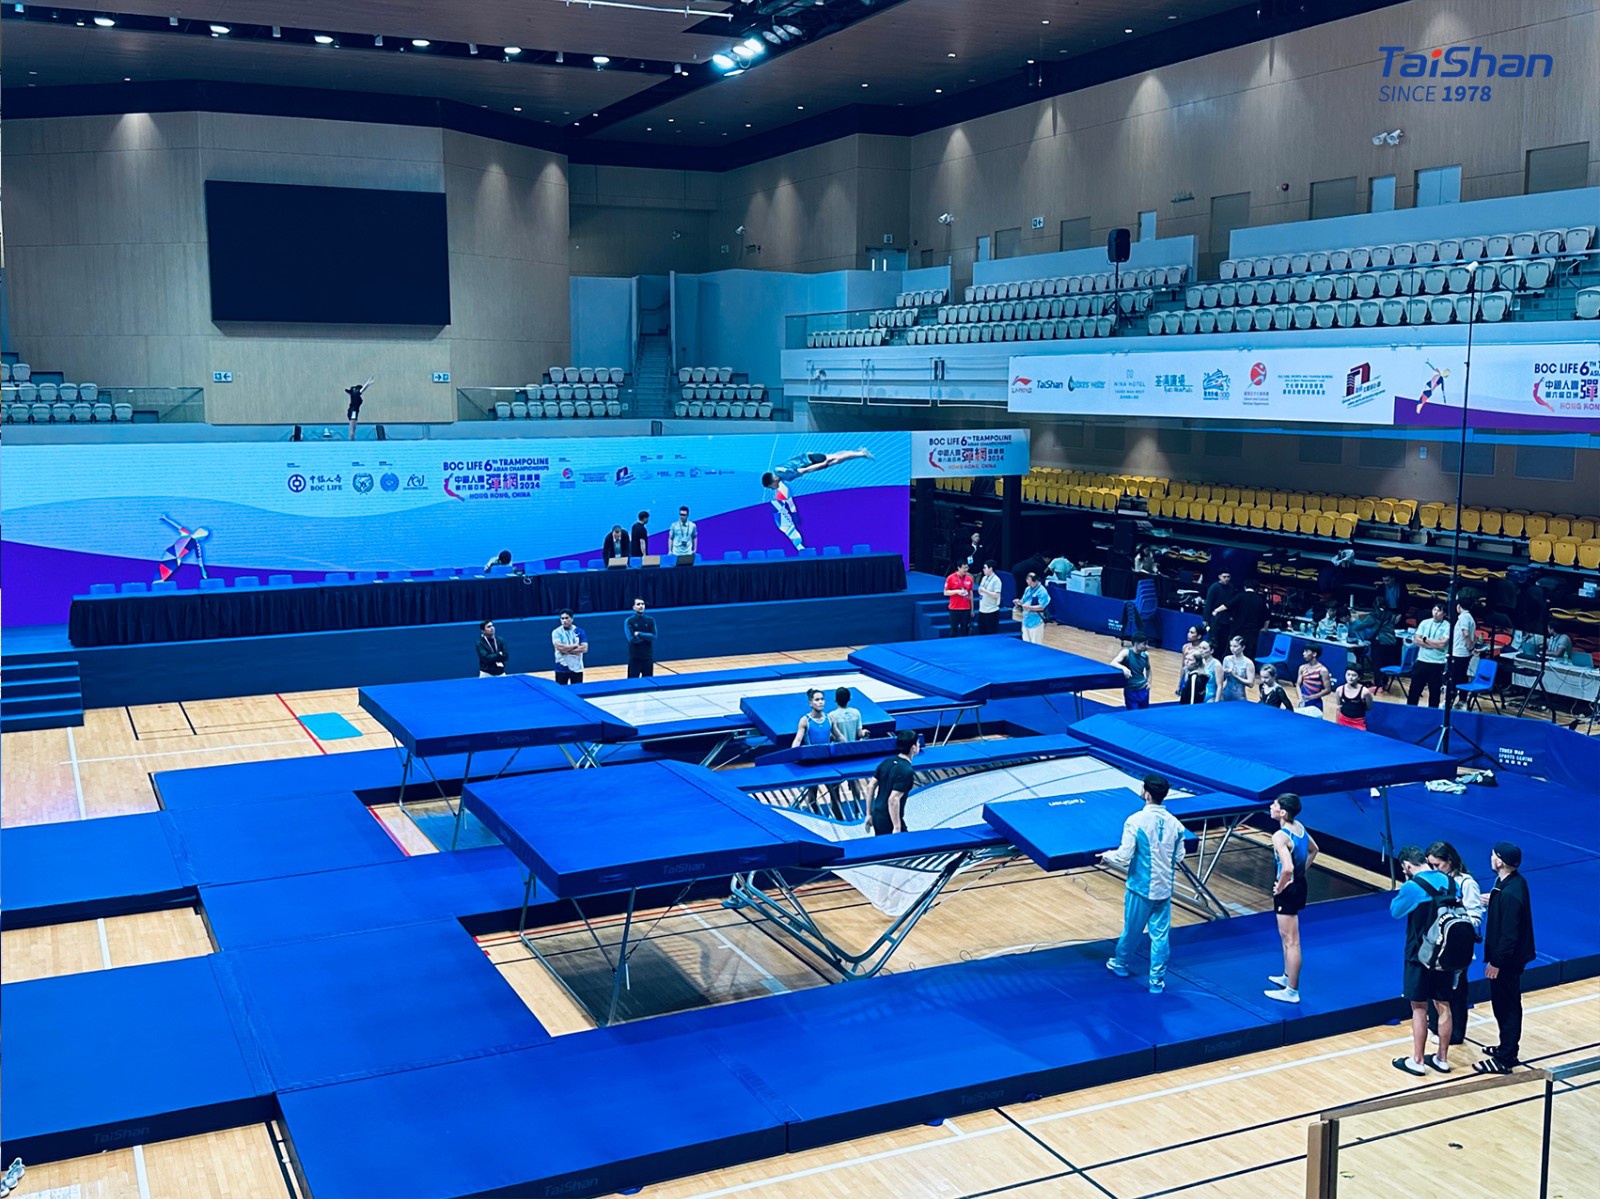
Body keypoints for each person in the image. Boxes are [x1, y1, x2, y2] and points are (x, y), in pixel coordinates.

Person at [1102, 774, 1187, 995]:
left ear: (1146, 794)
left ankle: (1120, 963)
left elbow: (1124, 855)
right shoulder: (1177, 825)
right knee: (1160, 935)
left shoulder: (1135, 820)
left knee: (1132, 929)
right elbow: (1179, 856)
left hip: (1140, 888)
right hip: (1164, 889)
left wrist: (1106, 856)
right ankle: (1157, 981)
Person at [1389, 845, 1460, 1076]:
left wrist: (1406, 886)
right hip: (1445, 953)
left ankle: (1418, 1061)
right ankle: (1442, 1058)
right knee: (1444, 1004)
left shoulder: (1412, 887)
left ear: (1407, 866)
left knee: (1419, 1007)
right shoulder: (1450, 881)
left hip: (1418, 955)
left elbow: (1395, 911)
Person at [1476, 842, 1535, 1073]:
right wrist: (1493, 900)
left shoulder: (1510, 894)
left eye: (1493, 855)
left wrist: (1496, 963)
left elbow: (1509, 935)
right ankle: (1505, 1047)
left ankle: (1507, 1057)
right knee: (1504, 1004)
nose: (1490, 858)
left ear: (1500, 861)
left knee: (1506, 1006)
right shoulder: (1513, 882)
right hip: (1509, 958)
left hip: (1507, 961)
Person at [1426, 841, 1484, 1049]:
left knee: (1456, 991)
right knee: (1434, 987)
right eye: (1430, 865)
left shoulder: (1466, 883)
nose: (1434, 869)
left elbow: (1475, 917)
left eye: (1437, 865)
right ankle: (1435, 1026)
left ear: (1449, 861)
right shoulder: (1433, 881)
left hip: (1457, 947)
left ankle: (1456, 1033)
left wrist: (1452, 922)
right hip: (1437, 945)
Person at [761, 448, 874, 552]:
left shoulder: (788, 476)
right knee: (834, 456)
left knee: (835, 460)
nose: (773, 489)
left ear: (772, 482)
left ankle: (861, 454)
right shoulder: (777, 469)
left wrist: (822, 465)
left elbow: (806, 470)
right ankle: (858, 452)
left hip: (811, 462)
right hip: (807, 456)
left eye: (771, 487)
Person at [1265, 792, 1319, 1004]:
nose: (1271, 806)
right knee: (1286, 937)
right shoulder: (1300, 827)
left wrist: (1280, 887)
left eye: (1275, 805)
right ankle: (1287, 976)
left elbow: (1287, 868)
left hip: (1288, 890)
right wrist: (1300, 872)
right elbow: (1314, 850)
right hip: (1299, 884)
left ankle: (1292, 990)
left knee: (1292, 941)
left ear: (1283, 812)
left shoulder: (1280, 836)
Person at [868, 729, 919, 835]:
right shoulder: (906, 770)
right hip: (889, 819)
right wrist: (896, 826)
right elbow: (893, 799)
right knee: (905, 844)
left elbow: (870, 786)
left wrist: (869, 814)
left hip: (877, 814)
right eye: (917, 743)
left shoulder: (886, 762)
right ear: (913, 748)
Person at [1408, 602, 1451, 708]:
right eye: (1434, 610)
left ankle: (1433, 714)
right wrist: (1433, 643)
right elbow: (1416, 640)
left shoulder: (1447, 626)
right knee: (1414, 690)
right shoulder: (1424, 623)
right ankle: (1410, 711)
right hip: (1421, 661)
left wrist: (1424, 640)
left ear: (1444, 614)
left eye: (1439, 611)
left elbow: (1442, 644)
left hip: (1437, 663)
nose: (1435, 612)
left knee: (1434, 693)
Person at [1448, 597, 1478, 705]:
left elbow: (1466, 633)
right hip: (1462, 652)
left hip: (1460, 652)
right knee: (1461, 676)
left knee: (1456, 677)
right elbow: (1473, 635)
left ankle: (1452, 699)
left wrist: (1469, 646)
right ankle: (1462, 699)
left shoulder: (1464, 617)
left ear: (1459, 606)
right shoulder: (1469, 617)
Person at [1230, 579, 1268, 662]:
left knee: (1234, 650)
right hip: (1252, 631)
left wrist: (1216, 611)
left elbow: (1228, 606)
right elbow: (1267, 617)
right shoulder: (1261, 600)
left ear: (1245, 587)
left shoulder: (1240, 596)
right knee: (1249, 653)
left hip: (1238, 629)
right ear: (1257, 588)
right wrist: (1265, 628)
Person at [1111, 634, 1152, 710]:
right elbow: (1113, 662)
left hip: (1143, 689)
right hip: (1131, 691)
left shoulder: (1145, 655)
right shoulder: (1126, 652)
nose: (1147, 646)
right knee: (1133, 714)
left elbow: (1148, 669)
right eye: (1144, 644)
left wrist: (1149, 682)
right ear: (1136, 643)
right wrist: (1124, 668)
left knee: (1144, 714)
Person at [1204, 570, 1239, 651]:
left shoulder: (1231, 587)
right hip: (1215, 617)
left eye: (1228, 577)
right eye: (1224, 577)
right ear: (1219, 577)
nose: (1226, 579)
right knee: (1213, 638)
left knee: (1224, 640)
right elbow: (1208, 603)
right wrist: (1206, 618)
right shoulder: (1214, 587)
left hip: (1227, 618)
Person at [552, 609, 587, 685]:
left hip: (577, 668)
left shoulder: (579, 631)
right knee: (561, 690)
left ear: (572, 619)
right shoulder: (556, 632)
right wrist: (575, 645)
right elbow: (560, 648)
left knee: (577, 690)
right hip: (561, 668)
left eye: (566, 618)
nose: (564, 620)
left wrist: (566, 650)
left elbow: (584, 648)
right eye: (562, 618)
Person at [624, 597, 656, 678]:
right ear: (634, 607)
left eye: (643, 604)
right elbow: (631, 639)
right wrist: (647, 637)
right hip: (635, 659)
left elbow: (654, 636)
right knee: (633, 683)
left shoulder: (650, 620)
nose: (641, 606)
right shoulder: (629, 621)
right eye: (638, 604)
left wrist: (639, 634)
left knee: (648, 682)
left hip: (648, 658)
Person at [1296, 645, 1333, 714]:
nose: (1303, 653)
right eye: (1304, 651)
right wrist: (1300, 697)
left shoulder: (1323, 670)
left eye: (1306, 651)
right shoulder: (1302, 668)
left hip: (1315, 703)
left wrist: (1311, 697)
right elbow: (1298, 685)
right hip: (1303, 701)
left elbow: (1328, 690)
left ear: (1314, 654)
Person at [1016, 571, 1050, 644]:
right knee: (1026, 643)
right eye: (1028, 582)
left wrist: (1028, 607)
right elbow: (1023, 600)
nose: (1029, 584)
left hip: (1036, 620)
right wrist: (1018, 602)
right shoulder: (1028, 589)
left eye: (1031, 582)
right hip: (1026, 619)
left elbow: (1042, 607)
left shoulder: (1042, 591)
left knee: (1036, 643)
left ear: (1035, 581)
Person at [1219, 635, 1256, 701]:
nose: (1232, 648)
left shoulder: (1248, 663)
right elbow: (1223, 679)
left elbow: (1251, 684)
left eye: (1235, 646)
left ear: (1243, 647)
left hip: (1239, 696)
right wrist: (1223, 673)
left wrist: (1236, 676)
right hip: (1225, 694)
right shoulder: (1227, 659)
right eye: (1231, 646)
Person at [944, 561, 974, 637]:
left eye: (967, 567)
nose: (966, 570)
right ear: (958, 568)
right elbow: (945, 592)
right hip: (954, 608)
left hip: (966, 608)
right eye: (964, 568)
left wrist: (972, 609)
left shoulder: (969, 579)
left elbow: (971, 594)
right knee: (953, 631)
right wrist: (957, 591)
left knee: (965, 630)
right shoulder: (950, 578)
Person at [976, 561, 1004, 635]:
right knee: (982, 632)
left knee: (991, 633)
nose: (983, 569)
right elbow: (981, 589)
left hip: (991, 611)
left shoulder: (996, 580)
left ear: (990, 568)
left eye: (985, 568)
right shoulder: (984, 578)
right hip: (982, 610)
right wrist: (980, 590)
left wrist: (985, 591)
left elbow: (997, 595)